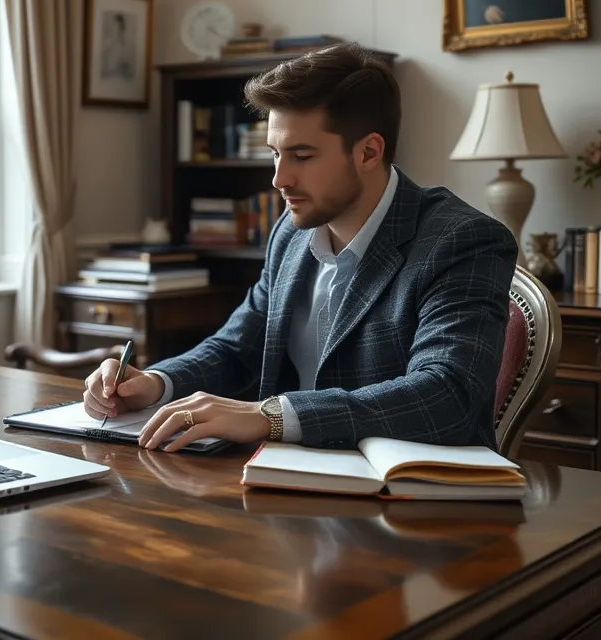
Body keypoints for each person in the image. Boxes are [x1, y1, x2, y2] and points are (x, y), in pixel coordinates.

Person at [82, 43, 518, 453]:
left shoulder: (462, 240)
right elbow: (236, 348)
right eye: (275, 153)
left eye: (302, 156)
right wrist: (156, 383)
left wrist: (269, 415)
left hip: (412, 502)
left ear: (368, 152)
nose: (279, 179)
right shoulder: (290, 234)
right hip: (291, 486)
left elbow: (446, 394)